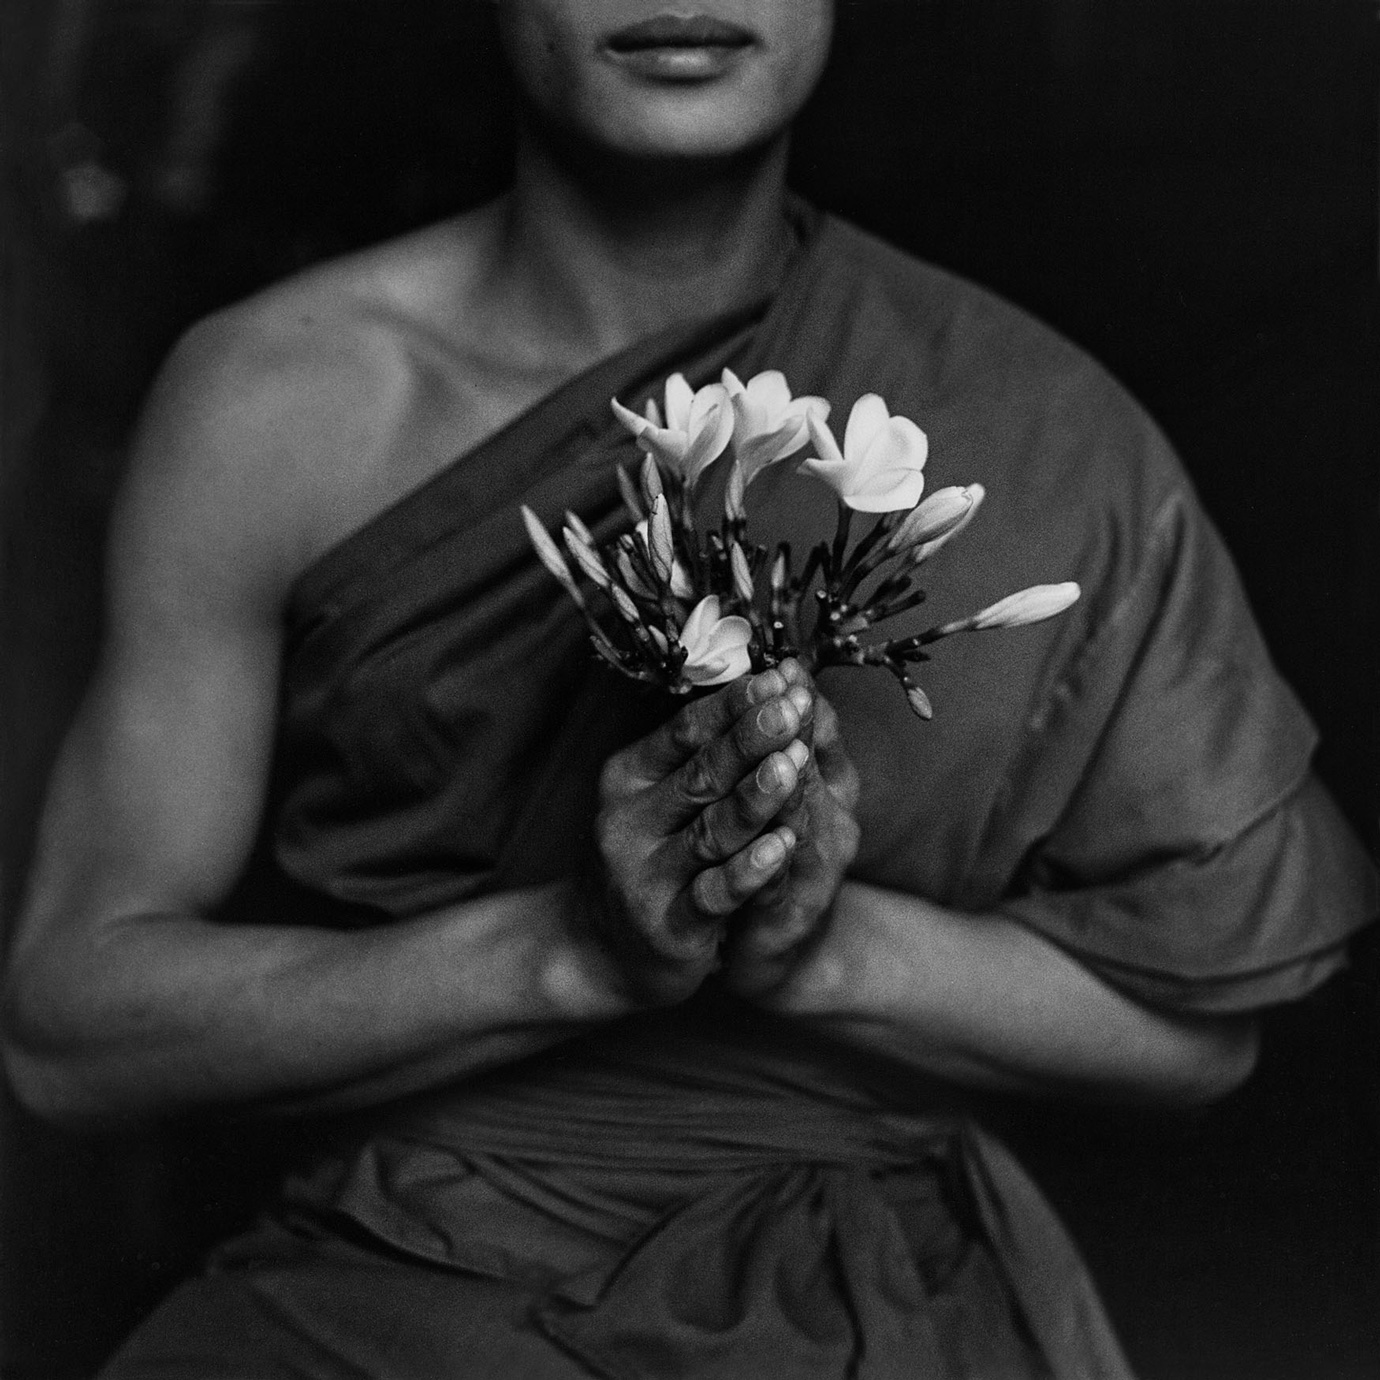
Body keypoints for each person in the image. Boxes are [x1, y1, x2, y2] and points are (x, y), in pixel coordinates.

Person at [2, 2, 1374, 1376]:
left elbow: (1200, 1039)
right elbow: (71, 1036)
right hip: (397, 1290)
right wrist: (571, 954)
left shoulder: (1033, 417)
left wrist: (818, 952)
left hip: (878, 1309)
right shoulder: (279, 403)